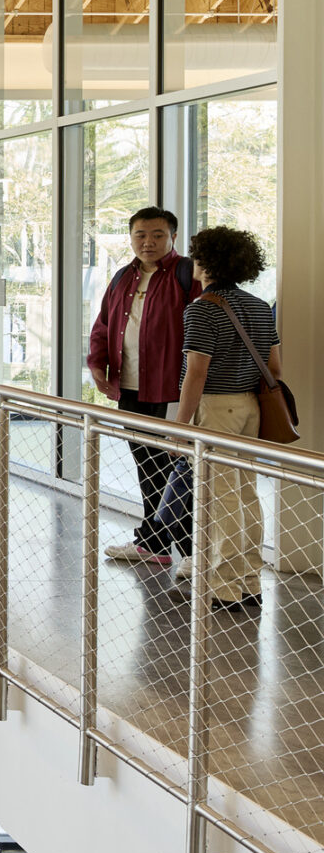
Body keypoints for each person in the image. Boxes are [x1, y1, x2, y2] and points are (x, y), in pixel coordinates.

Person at [169, 226, 281, 611]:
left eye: (196, 256)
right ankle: (250, 580)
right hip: (250, 406)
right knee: (246, 493)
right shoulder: (258, 305)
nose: (192, 264)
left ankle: (224, 585)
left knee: (220, 499)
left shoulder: (202, 308)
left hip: (216, 408)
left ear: (208, 261)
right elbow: (275, 368)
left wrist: (180, 426)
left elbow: (197, 372)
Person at [86, 206, 194, 564]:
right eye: (140, 235)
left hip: (172, 390)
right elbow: (104, 326)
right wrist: (97, 365)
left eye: (158, 235)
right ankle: (154, 545)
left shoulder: (186, 274)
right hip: (129, 388)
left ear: (173, 237)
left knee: (179, 471)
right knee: (147, 466)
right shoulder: (121, 277)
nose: (148, 242)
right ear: (131, 237)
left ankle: (193, 553)